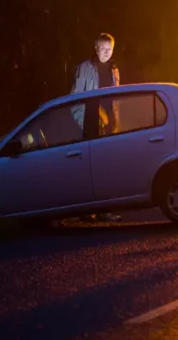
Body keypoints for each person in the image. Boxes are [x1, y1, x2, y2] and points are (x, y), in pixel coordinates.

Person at [71, 32, 122, 222]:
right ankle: (87, 210)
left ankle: (105, 210)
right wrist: (83, 122)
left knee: (107, 169)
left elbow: (117, 99)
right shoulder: (85, 68)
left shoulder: (114, 69)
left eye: (110, 49)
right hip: (90, 125)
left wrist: (116, 123)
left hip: (109, 128)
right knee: (88, 169)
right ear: (96, 48)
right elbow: (74, 99)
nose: (107, 53)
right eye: (104, 49)